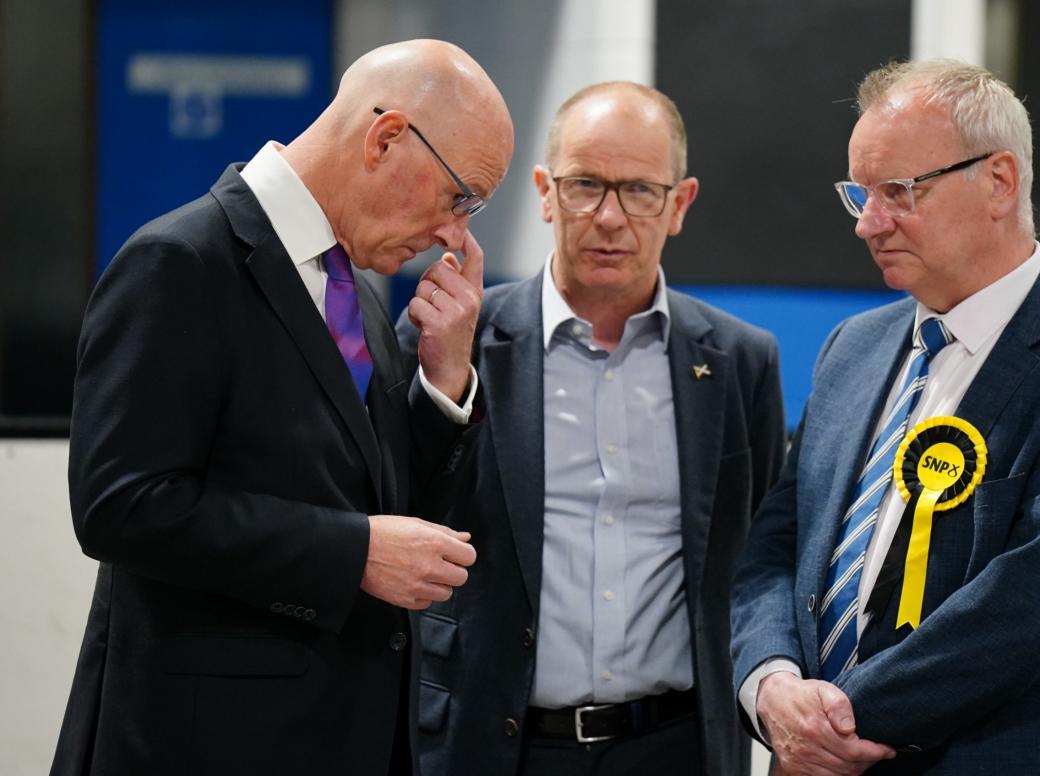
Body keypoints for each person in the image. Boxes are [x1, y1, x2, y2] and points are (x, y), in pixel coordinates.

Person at [51, 40, 513, 776]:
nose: (455, 235)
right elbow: (120, 506)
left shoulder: (355, 289)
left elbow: (384, 504)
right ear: (386, 137)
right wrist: (351, 551)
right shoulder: (179, 260)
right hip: (207, 744)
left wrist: (444, 381)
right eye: (460, 197)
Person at [730, 59, 1040, 775]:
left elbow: (1020, 613)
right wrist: (771, 687)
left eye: (898, 192)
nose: (868, 223)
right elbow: (777, 548)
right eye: (859, 195)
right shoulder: (852, 348)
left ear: (998, 182)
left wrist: (825, 731)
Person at [395, 81, 786, 775]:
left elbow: (759, 557)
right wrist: (445, 380)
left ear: (679, 204)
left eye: (639, 190)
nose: (610, 217)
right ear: (545, 193)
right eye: (584, 186)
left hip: (674, 747)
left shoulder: (737, 361)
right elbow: (401, 508)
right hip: (492, 744)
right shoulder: (459, 334)